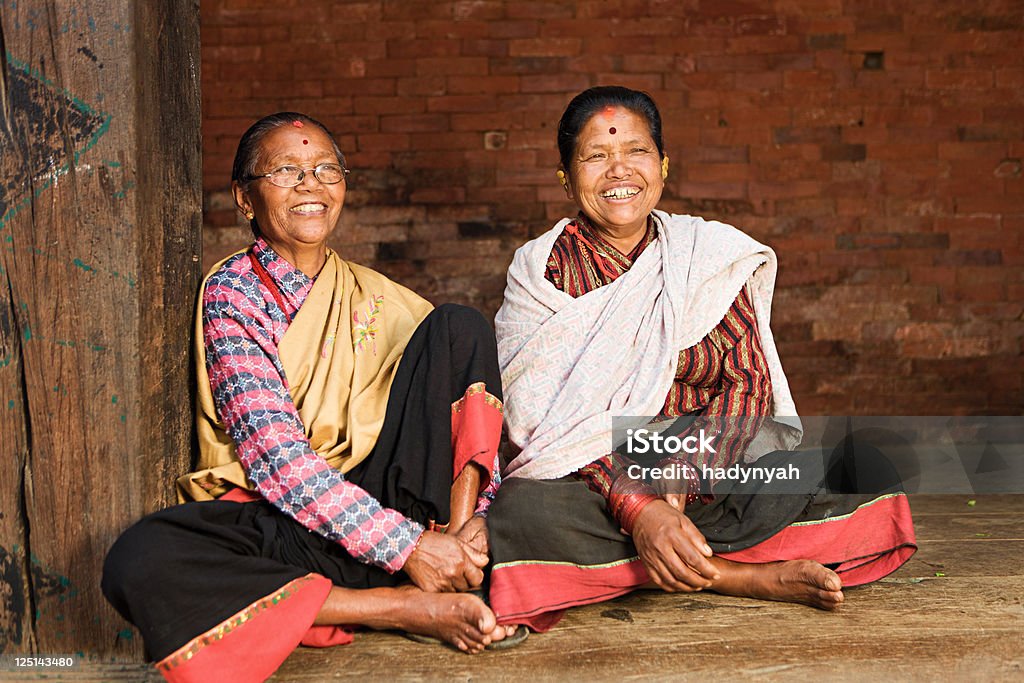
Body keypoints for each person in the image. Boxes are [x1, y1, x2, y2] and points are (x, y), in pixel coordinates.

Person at [102, 112, 518, 683]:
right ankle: (404, 606)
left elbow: (449, 416)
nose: (311, 184)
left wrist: (459, 535)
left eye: (326, 169)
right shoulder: (233, 293)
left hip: (406, 513)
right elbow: (279, 463)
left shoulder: (379, 299)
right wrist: (407, 549)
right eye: (287, 171)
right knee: (141, 558)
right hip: (299, 520)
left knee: (459, 327)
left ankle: (455, 558)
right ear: (245, 199)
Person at [486, 86, 917, 632]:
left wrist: (680, 476)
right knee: (522, 513)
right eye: (596, 156)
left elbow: (747, 385)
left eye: (636, 152)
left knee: (855, 475)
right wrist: (639, 507)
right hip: (589, 482)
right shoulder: (541, 272)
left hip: (703, 474)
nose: (619, 170)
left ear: (663, 165)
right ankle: (735, 574)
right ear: (567, 179)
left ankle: (650, 561)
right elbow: (535, 423)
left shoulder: (706, 255)